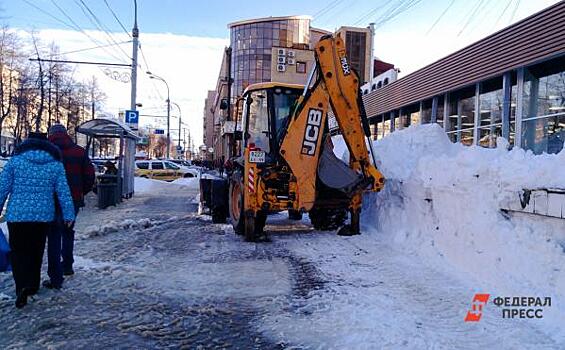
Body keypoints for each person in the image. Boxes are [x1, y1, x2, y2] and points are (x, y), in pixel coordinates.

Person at [0, 132, 75, 308]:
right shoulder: (55, 165)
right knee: (36, 251)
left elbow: (2, 188)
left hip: (17, 216)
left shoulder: (15, 162)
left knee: (18, 252)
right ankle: (32, 286)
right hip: (43, 216)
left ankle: (21, 287)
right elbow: (63, 192)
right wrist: (69, 214)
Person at [44, 125, 95, 289]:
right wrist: (81, 192)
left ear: (50, 135)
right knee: (68, 232)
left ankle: (55, 275)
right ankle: (67, 265)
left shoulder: (47, 152)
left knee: (53, 235)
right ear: (66, 134)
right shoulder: (79, 151)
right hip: (73, 200)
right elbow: (89, 175)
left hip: (51, 199)